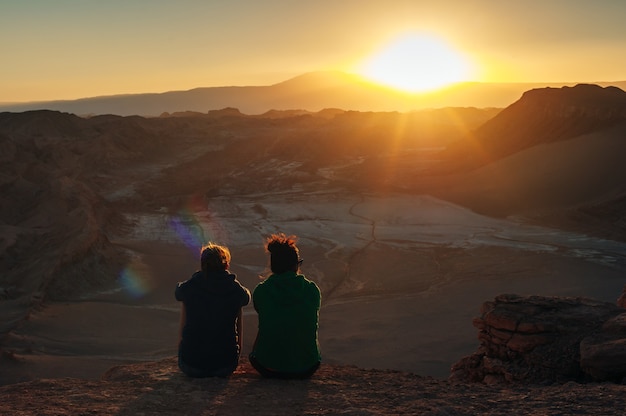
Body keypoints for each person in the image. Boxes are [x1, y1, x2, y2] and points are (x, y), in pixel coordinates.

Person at [249, 233, 321, 379]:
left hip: (268, 367)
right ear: (296, 265)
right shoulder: (312, 290)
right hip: (307, 367)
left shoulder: (262, 291)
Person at [175, 242, 250, 377]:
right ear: (226, 265)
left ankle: (184, 346)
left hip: (191, 364)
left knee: (187, 301)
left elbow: (179, 293)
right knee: (236, 303)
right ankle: (237, 350)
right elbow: (246, 298)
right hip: (225, 365)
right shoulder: (233, 287)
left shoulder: (192, 285)